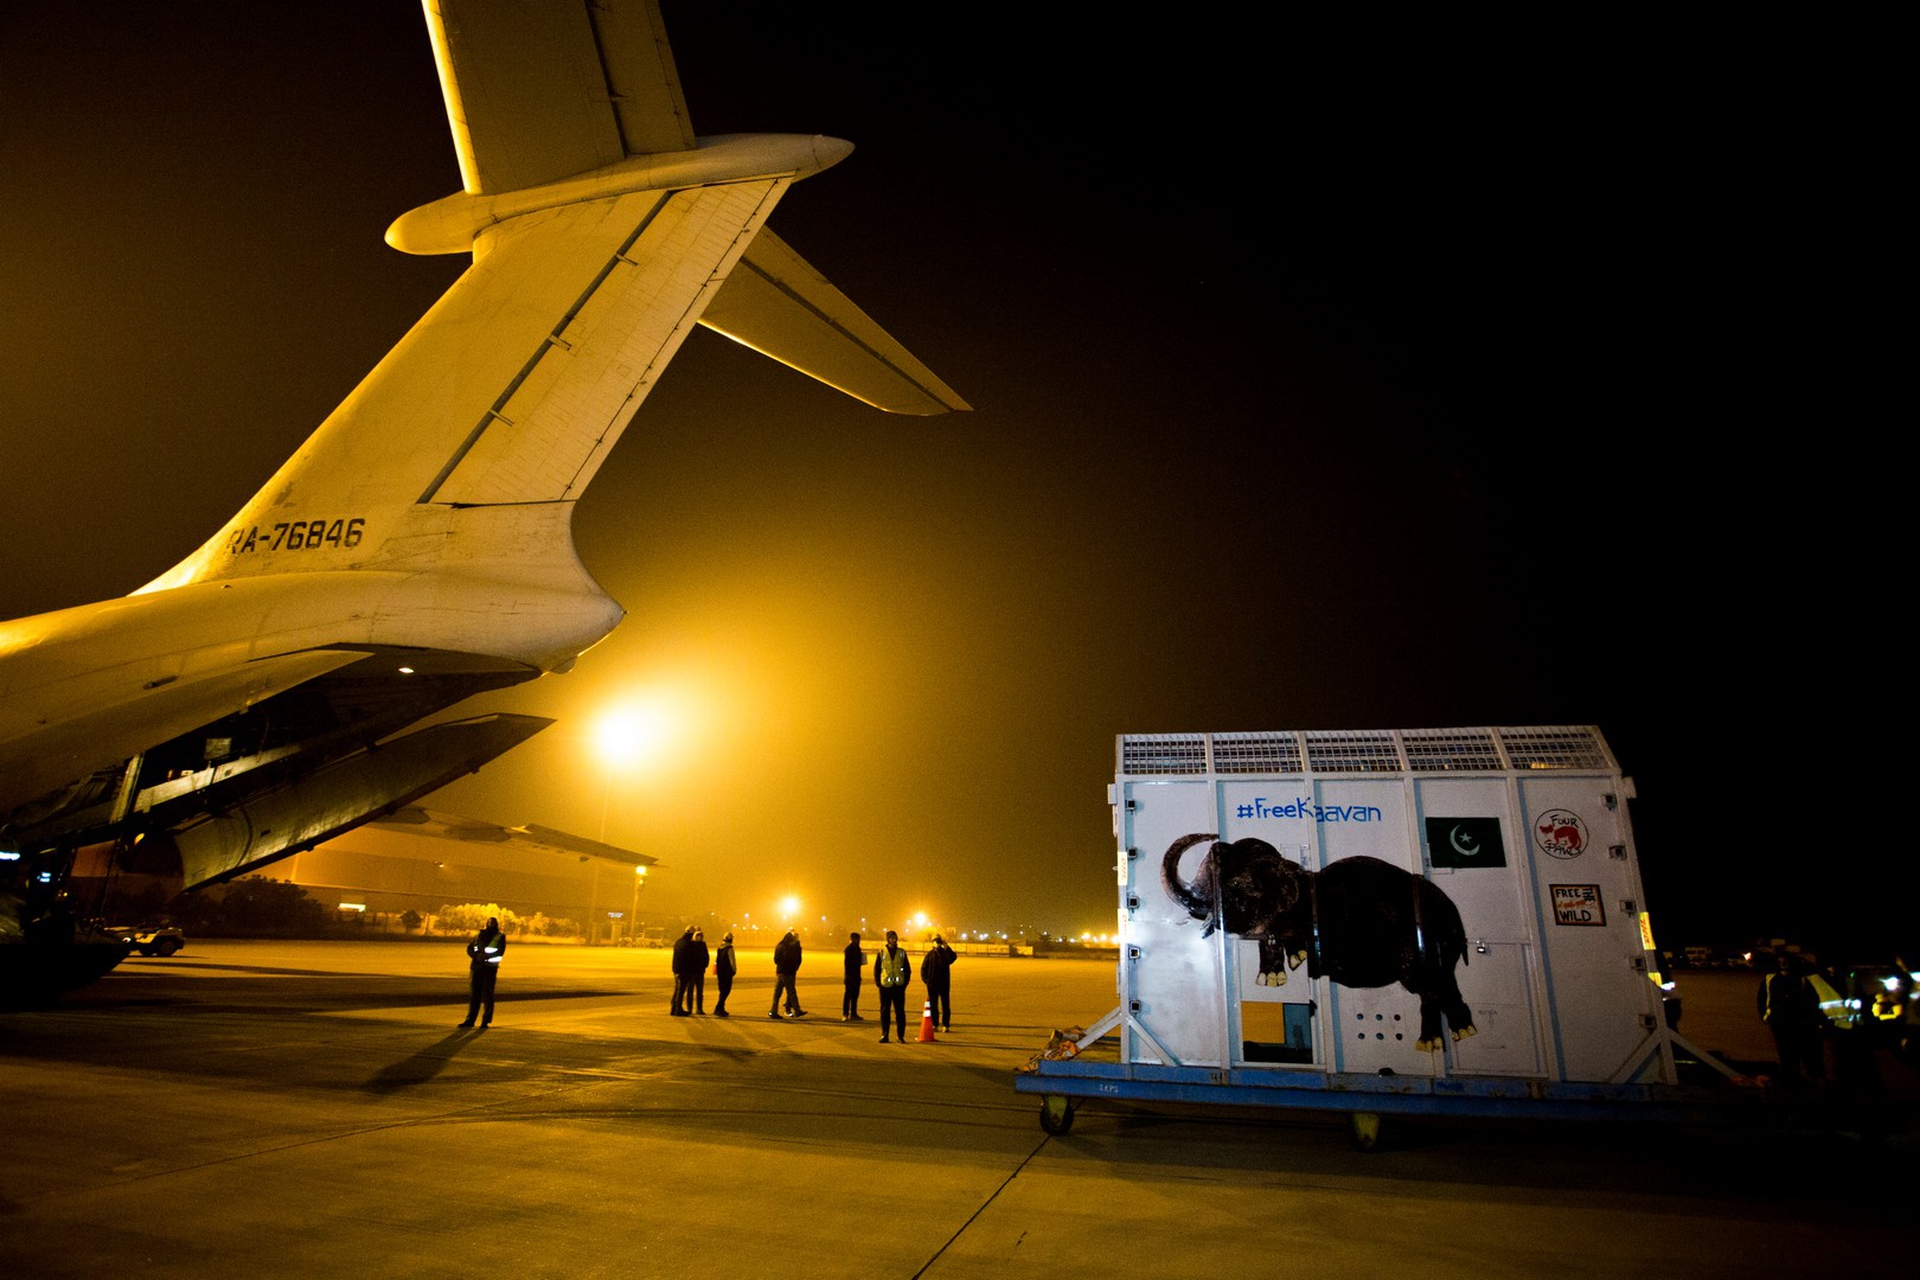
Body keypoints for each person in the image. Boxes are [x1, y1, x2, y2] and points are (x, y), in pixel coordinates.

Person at [1756, 951, 1822, 1083]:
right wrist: (1767, 1018)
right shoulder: (1770, 979)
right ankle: (1792, 1079)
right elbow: (1762, 1000)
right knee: (1786, 1053)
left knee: (1807, 1051)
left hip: (1800, 1022)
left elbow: (1813, 999)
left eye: (1785, 961)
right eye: (1780, 961)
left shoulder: (1802, 978)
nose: (1783, 964)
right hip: (1780, 1023)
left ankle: (1813, 1079)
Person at [459, 916, 505, 1028]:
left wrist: (484, 957)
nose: (491, 924)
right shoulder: (479, 935)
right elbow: (470, 947)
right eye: (489, 922)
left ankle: (485, 1021)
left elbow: (500, 952)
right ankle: (470, 1020)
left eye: (492, 922)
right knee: (475, 995)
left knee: (487, 995)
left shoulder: (499, 937)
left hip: (489, 969)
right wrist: (476, 956)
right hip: (477, 967)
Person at [872, 928, 911, 1042]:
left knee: (900, 1012)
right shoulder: (881, 952)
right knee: (885, 1012)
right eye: (892, 938)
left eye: (895, 938)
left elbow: (907, 968)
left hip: (898, 986)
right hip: (885, 986)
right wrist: (878, 983)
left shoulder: (902, 952)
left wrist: (905, 982)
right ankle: (885, 1035)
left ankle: (900, 1036)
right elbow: (877, 968)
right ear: (888, 940)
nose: (894, 940)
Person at [921, 933, 957, 1031]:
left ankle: (946, 1025)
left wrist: (947, 947)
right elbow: (923, 969)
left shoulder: (945, 954)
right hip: (932, 984)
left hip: (944, 984)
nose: (937, 943)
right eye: (935, 941)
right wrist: (926, 981)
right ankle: (935, 1024)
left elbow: (953, 958)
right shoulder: (929, 955)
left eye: (938, 941)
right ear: (932, 943)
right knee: (933, 1005)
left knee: (945, 1005)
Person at [770, 929, 806, 1018]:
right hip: (787, 973)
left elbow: (775, 960)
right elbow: (790, 960)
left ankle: (773, 1011)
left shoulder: (779, 945)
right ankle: (797, 1010)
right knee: (791, 992)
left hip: (779, 972)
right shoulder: (788, 947)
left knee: (777, 994)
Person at [670, 925, 696, 1016]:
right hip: (684, 970)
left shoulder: (678, 942)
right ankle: (678, 1009)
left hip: (676, 969)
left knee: (677, 990)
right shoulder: (689, 944)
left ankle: (673, 1008)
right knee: (681, 991)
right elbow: (690, 959)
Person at [842, 931, 866, 1021]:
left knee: (855, 996)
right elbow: (847, 964)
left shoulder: (858, 949)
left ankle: (853, 1013)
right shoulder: (848, 950)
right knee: (848, 996)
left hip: (857, 975)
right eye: (857, 939)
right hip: (850, 976)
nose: (858, 940)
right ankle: (845, 1014)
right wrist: (848, 976)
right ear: (853, 939)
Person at [713, 932, 736, 1017]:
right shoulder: (730, 948)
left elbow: (716, 960)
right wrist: (734, 970)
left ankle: (721, 1008)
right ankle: (718, 1007)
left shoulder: (719, 948)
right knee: (726, 990)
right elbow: (732, 961)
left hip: (720, 972)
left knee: (722, 990)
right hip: (727, 972)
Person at [690, 927, 710, 1014]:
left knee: (699, 991)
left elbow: (706, 957)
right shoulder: (691, 945)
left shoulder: (703, 945)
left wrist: (704, 966)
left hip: (700, 971)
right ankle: (689, 1008)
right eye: (698, 936)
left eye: (700, 936)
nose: (699, 938)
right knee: (690, 990)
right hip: (692, 972)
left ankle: (699, 1008)